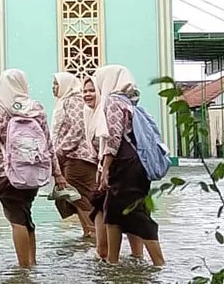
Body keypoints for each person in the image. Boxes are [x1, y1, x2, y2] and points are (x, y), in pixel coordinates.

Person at [0, 69, 62, 268]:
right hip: (32, 171)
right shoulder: (36, 108)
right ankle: (32, 262)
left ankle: (23, 267)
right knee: (26, 215)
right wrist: (57, 173)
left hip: (6, 173)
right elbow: (48, 143)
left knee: (17, 220)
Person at [91, 64, 166, 267]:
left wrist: (105, 168)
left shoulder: (113, 102)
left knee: (137, 213)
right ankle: (113, 263)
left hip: (125, 165)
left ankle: (159, 262)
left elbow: (113, 138)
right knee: (113, 211)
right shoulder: (130, 102)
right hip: (136, 164)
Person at [51, 71, 97, 237]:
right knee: (73, 196)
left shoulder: (74, 100)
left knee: (78, 196)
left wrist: (59, 152)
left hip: (77, 157)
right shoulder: (64, 101)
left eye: (56, 84)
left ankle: (94, 232)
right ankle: (89, 232)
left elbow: (77, 128)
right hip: (69, 157)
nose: (53, 88)